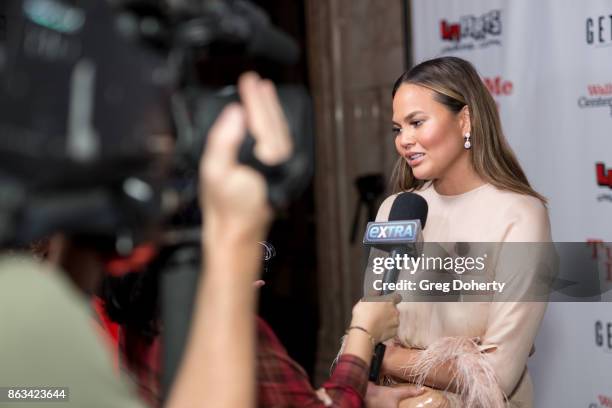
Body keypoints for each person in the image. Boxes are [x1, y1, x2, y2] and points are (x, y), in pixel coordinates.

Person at [364, 57, 553, 408]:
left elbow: (496, 374)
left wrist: (383, 359)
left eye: (417, 122)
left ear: (464, 119)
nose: (404, 140)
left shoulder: (520, 216)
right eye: (397, 128)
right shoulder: (395, 209)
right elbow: (367, 322)